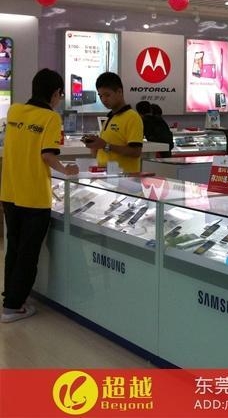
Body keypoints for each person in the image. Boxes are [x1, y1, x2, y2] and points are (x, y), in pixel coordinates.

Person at [1, 68, 79, 323]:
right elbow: (47, 155)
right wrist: (66, 170)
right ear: (56, 93)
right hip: (34, 196)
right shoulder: (51, 118)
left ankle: (10, 297)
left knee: (14, 248)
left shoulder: (14, 111)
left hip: (9, 192)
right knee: (28, 253)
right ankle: (13, 307)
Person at [83, 72, 144, 173]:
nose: (103, 100)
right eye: (100, 96)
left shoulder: (132, 117)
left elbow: (136, 152)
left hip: (125, 178)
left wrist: (105, 145)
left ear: (119, 92)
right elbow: (100, 153)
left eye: (107, 95)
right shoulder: (109, 117)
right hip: (105, 176)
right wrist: (94, 145)